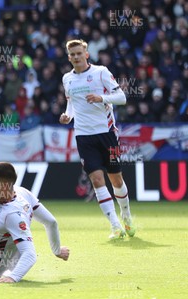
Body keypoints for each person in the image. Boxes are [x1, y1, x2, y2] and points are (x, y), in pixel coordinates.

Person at [59, 39, 136, 240]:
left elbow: (121, 98)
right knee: (96, 179)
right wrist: (68, 116)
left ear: (86, 54)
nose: (76, 57)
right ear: (69, 57)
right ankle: (115, 226)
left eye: (79, 53)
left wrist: (101, 98)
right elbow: (71, 104)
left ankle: (126, 216)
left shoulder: (100, 72)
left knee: (116, 179)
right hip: (83, 136)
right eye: (72, 54)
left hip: (106, 133)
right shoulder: (67, 79)